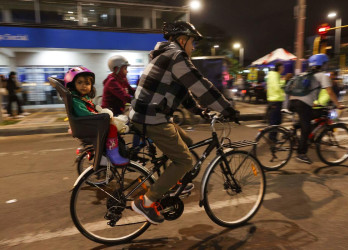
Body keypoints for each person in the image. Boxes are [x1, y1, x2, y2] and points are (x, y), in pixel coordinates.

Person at [129, 20, 238, 224]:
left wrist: (200, 111)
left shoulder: (166, 55)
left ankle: (174, 181)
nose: (193, 47)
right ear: (182, 40)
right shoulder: (176, 56)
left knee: (187, 142)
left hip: (147, 114)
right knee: (185, 160)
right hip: (152, 118)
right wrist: (227, 109)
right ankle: (146, 202)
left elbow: (184, 92)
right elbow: (200, 86)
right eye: (192, 42)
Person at [64, 66, 129, 166]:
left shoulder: (82, 97)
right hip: (86, 125)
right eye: (79, 82)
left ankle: (109, 153)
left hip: (87, 123)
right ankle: (112, 155)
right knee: (111, 128)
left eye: (87, 83)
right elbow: (84, 113)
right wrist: (101, 116)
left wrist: (100, 111)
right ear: (73, 84)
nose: (84, 86)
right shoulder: (75, 99)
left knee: (114, 126)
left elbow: (93, 106)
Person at [289, 54, 343, 164]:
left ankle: (294, 130)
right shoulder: (323, 76)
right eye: (325, 64)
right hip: (303, 104)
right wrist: (338, 104)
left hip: (292, 102)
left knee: (308, 118)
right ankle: (301, 154)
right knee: (306, 128)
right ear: (322, 64)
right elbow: (330, 92)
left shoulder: (304, 74)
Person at [266, 62, 285, 131]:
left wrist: (284, 80)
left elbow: (278, 85)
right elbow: (276, 87)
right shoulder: (275, 75)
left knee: (276, 121)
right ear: (279, 67)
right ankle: (272, 138)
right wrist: (283, 92)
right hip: (275, 100)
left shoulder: (275, 75)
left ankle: (272, 137)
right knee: (275, 121)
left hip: (274, 100)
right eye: (283, 67)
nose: (284, 69)